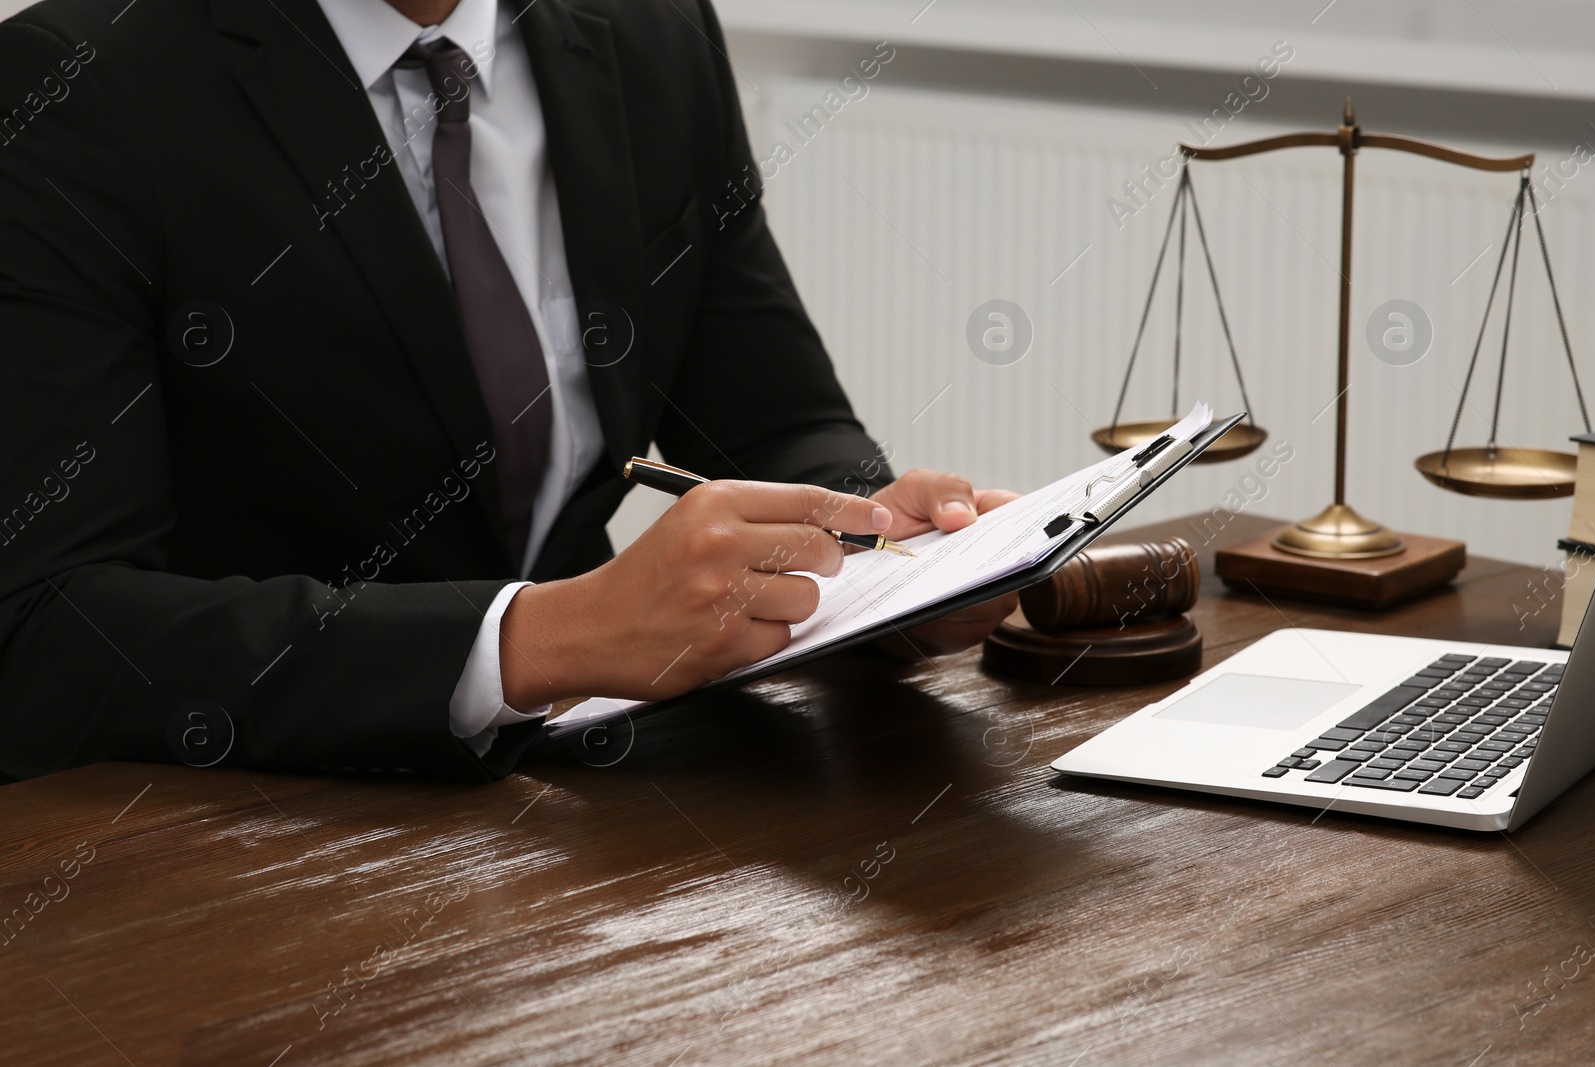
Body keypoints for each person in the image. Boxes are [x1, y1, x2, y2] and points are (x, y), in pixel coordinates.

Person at [0, 0, 1015, 782]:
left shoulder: (648, 29)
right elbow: (46, 633)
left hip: (612, 802)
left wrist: (895, 562)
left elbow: (775, 421)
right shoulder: (74, 86)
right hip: (258, 827)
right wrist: (536, 638)